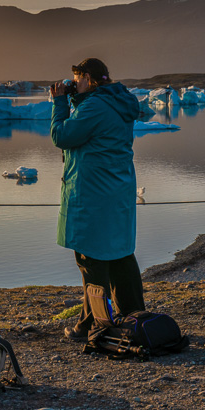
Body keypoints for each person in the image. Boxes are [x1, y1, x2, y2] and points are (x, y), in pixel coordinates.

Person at [50, 58, 145, 341]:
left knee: (90, 258)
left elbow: (62, 135)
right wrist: (77, 100)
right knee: (120, 256)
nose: (73, 85)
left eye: (76, 79)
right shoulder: (118, 102)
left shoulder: (94, 106)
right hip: (117, 190)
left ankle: (92, 323)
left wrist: (59, 103)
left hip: (91, 194)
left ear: (89, 79)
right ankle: (134, 316)